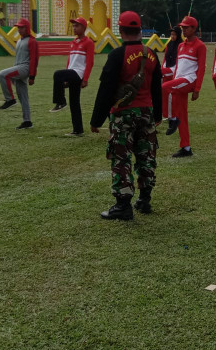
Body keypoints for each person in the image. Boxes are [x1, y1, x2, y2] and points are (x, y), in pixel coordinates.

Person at [90, 11, 162, 220]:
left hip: (123, 114)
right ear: (140, 29)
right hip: (147, 112)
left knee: (121, 157)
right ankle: (145, 199)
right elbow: (157, 88)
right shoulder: (151, 54)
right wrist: (158, 114)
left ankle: (123, 205)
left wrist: (96, 120)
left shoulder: (117, 55)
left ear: (120, 30)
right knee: (146, 156)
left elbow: (106, 89)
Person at [162, 16, 206, 158]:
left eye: (186, 27)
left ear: (194, 28)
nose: (184, 30)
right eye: (182, 27)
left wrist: (197, 89)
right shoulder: (181, 46)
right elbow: (178, 67)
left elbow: (201, 69)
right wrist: (175, 79)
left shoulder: (200, 46)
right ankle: (186, 148)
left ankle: (171, 118)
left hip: (189, 81)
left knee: (164, 87)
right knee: (182, 115)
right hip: (179, 81)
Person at [50, 17, 94, 135]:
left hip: (79, 73)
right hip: (72, 73)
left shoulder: (88, 43)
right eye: (73, 26)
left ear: (83, 28)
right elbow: (70, 60)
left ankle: (60, 101)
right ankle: (78, 130)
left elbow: (90, 62)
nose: (74, 28)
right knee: (74, 103)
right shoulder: (73, 42)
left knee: (57, 74)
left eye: (77, 26)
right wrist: (66, 78)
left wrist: (85, 79)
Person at [0, 18, 39, 129]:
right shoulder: (19, 41)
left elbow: (34, 59)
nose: (19, 29)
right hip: (18, 67)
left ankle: (10, 99)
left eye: (21, 27)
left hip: (24, 68)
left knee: (2, 74)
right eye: (18, 27)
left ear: (27, 28)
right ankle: (27, 122)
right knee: (23, 97)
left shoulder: (32, 41)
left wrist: (32, 76)